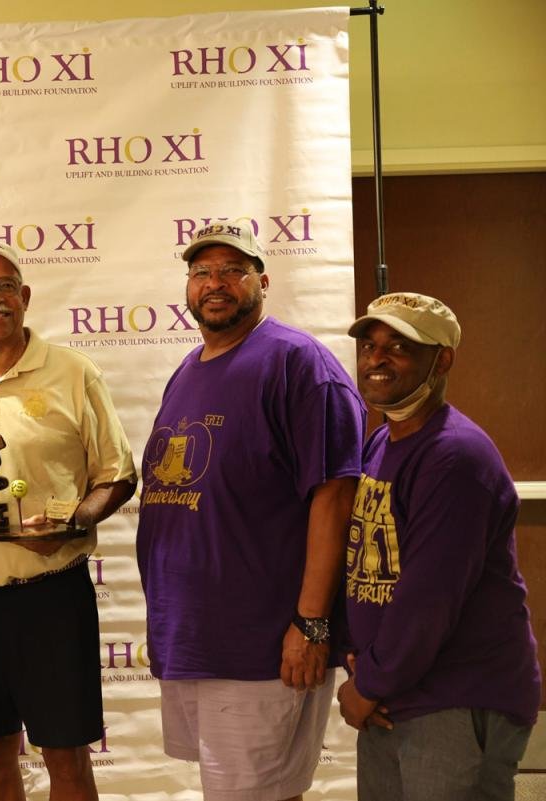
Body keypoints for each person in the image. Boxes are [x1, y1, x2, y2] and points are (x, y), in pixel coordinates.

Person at [135, 222, 366, 801]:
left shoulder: (298, 363)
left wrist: (311, 623)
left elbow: (336, 495)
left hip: (264, 640)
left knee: (263, 794)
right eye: (201, 272)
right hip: (197, 635)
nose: (214, 283)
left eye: (232, 271)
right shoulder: (190, 368)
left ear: (262, 282)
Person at [0, 240, 137, 801]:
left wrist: (75, 522)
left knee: (67, 756)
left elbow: (118, 475)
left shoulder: (73, 372)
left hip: (54, 596)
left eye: (4, 286)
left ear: (25, 297)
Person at [338, 292, 540, 801]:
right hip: (394, 693)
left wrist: (369, 684)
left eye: (398, 347)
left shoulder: (455, 457)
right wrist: (362, 668)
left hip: (456, 695)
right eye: (369, 346)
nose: (376, 359)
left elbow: (429, 598)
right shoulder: (382, 442)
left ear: (442, 360)